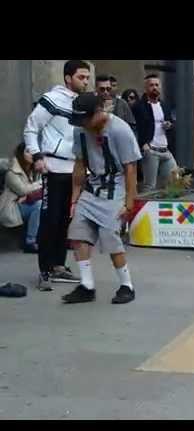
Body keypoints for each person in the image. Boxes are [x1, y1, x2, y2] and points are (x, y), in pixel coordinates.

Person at [62, 92, 139, 304]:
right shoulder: (80, 130)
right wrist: (74, 199)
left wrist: (129, 203)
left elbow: (130, 168)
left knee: (110, 238)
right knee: (78, 233)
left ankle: (126, 285)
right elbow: (79, 164)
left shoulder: (120, 129)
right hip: (92, 188)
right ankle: (87, 286)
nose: (83, 124)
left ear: (98, 112)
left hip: (115, 189)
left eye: (85, 119)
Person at [24, 59, 90, 291]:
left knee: (65, 221)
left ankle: (58, 266)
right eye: (81, 77)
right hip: (52, 168)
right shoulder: (51, 100)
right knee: (49, 220)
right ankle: (44, 270)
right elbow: (32, 127)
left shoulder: (82, 102)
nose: (85, 81)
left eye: (87, 77)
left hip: (74, 169)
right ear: (68, 78)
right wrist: (37, 155)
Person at [131, 73, 177, 192]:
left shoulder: (165, 105)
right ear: (146, 88)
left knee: (175, 180)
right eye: (151, 85)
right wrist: (142, 145)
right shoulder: (138, 106)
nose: (155, 87)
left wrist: (169, 124)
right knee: (149, 185)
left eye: (157, 85)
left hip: (165, 149)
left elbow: (171, 122)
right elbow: (135, 128)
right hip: (151, 150)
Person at [0, 143, 43, 253]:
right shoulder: (12, 172)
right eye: (28, 152)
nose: (31, 155)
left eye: (32, 152)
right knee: (38, 206)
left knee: (45, 204)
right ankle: (30, 242)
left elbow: (34, 190)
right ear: (21, 154)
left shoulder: (34, 170)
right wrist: (38, 184)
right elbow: (22, 190)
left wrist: (28, 195)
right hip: (12, 207)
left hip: (25, 203)